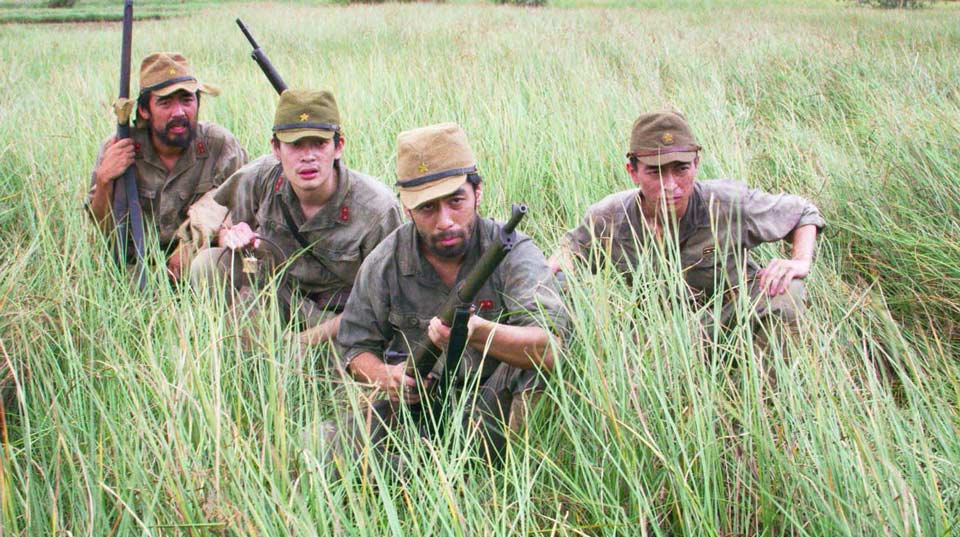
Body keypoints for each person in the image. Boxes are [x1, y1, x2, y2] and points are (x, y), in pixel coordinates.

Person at [331, 122, 567, 467]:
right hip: (421, 404)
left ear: (478, 193)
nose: (445, 221)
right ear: (407, 208)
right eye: (427, 208)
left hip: (496, 406)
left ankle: (508, 476)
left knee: (533, 373)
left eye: (456, 201)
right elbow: (354, 349)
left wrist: (479, 333)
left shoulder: (513, 252)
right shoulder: (385, 261)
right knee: (321, 446)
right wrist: (387, 377)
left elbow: (551, 349)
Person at [549, 111, 826, 332]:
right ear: (632, 172)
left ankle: (769, 395)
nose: (671, 185)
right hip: (658, 331)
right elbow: (569, 252)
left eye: (681, 169)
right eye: (655, 172)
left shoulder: (728, 202)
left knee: (788, 293)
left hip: (732, 318)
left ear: (696, 164)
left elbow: (803, 213)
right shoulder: (608, 216)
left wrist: (800, 261)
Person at [189, 89, 401, 348]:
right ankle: (230, 348)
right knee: (209, 265)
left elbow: (385, 304)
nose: (308, 156)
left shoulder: (377, 208)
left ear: (339, 147)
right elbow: (228, 225)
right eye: (295, 144)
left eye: (319, 143)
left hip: (342, 318)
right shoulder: (259, 178)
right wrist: (231, 236)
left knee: (349, 369)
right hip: (278, 295)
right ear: (276, 149)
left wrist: (301, 342)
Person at [87, 52, 248, 280]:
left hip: (199, 266)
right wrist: (105, 179)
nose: (179, 112)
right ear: (144, 110)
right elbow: (102, 228)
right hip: (137, 269)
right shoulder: (118, 148)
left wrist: (192, 244)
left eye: (187, 100)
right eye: (165, 102)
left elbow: (245, 206)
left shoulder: (219, 145)